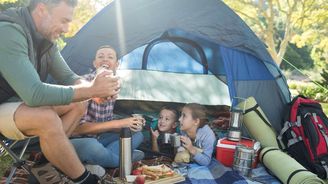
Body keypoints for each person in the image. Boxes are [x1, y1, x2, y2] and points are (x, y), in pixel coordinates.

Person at [0, 0, 119, 183]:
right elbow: (34, 94)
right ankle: (85, 179)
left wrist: (93, 91)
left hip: (17, 103)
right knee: (47, 117)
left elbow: (68, 77)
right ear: (42, 10)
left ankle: (45, 165)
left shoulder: (46, 39)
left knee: (80, 102)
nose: (66, 28)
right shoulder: (8, 31)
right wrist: (90, 90)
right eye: (63, 20)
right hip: (4, 103)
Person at [70, 45, 145, 168]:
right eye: (100, 56)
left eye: (110, 57)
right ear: (95, 63)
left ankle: (106, 159)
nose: (105, 59)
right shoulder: (83, 83)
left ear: (116, 64)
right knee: (92, 146)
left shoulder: (114, 85)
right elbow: (76, 129)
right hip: (80, 140)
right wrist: (118, 124)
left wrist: (128, 124)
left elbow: (105, 125)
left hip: (100, 138)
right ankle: (124, 159)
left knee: (137, 134)